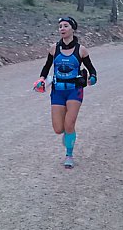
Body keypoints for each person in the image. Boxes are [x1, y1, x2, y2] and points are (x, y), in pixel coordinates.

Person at [34, 17, 97, 169]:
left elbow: (92, 70)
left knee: (69, 124)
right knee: (58, 129)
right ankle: (68, 135)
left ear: (72, 29)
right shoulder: (53, 48)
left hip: (74, 91)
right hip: (57, 91)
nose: (62, 28)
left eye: (65, 26)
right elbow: (47, 66)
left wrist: (92, 79)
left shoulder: (81, 50)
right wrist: (42, 79)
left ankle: (69, 155)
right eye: (60, 26)